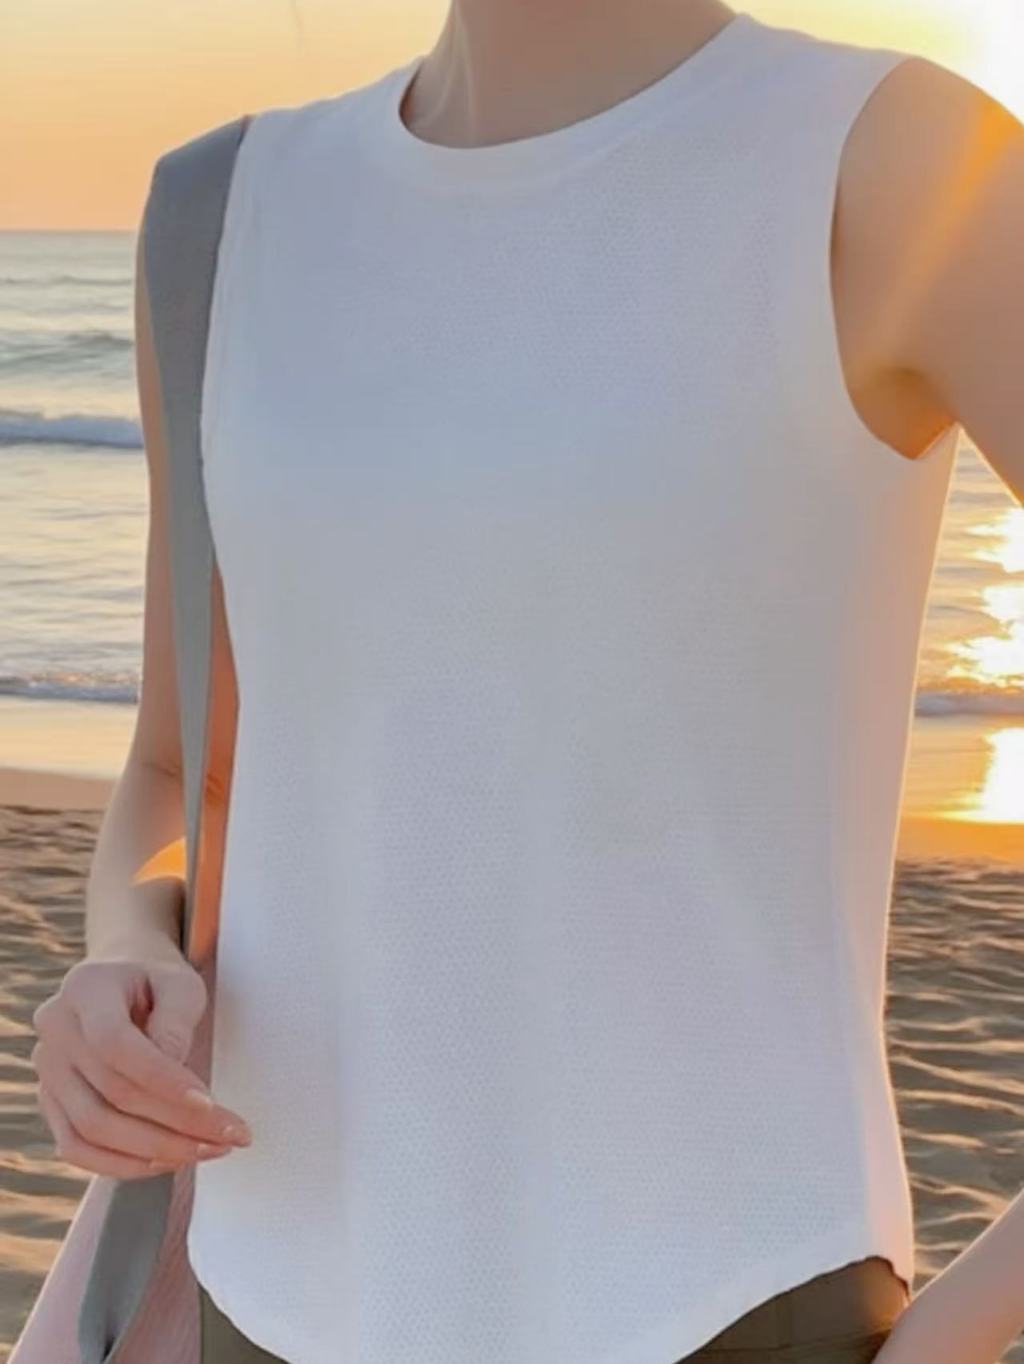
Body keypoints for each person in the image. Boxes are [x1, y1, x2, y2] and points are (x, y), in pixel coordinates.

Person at [29, 2, 1024, 1362]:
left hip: (723, 1306)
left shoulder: (893, 161)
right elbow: (184, 769)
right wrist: (122, 956)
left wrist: (944, 1344)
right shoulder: (219, 212)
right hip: (263, 1303)